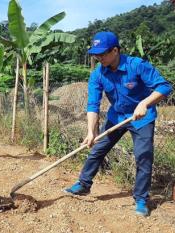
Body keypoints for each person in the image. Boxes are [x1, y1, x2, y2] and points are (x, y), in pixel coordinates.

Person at [64, 32, 173, 217]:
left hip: (141, 119)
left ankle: (141, 199)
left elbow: (164, 87)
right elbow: (93, 105)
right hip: (117, 117)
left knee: (143, 157)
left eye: (102, 54)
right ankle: (83, 185)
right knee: (97, 149)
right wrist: (91, 131)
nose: (99, 58)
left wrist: (145, 103)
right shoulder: (98, 74)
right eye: (96, 55)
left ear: (115, 50)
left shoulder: (136, 65)